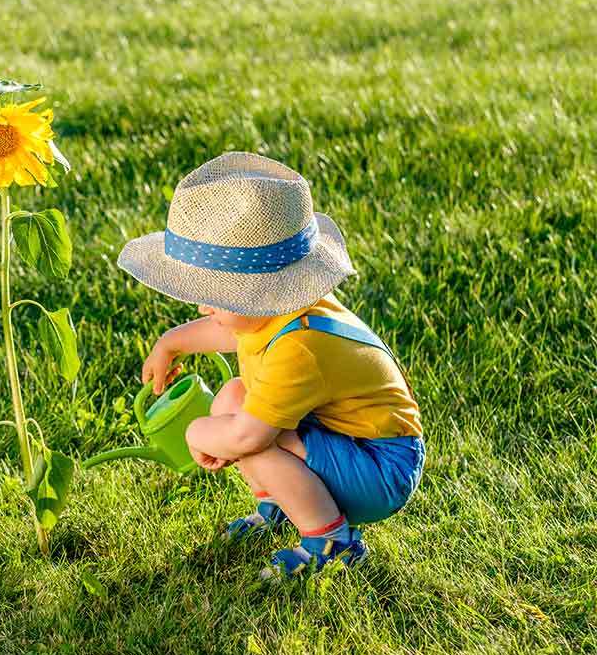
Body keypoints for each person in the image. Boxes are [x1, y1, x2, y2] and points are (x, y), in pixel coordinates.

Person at [117, 152, 425, 579]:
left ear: (259, 293)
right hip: (348, 443)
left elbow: (247, 436)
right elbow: (234, 331)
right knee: (232, 396)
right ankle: (284, 504)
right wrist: (172, 343)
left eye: (216, 294)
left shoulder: (300, 347)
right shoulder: (280, 310)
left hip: (380, 467)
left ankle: (333, 543)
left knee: (249, 436)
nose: (203, 305)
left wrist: (197, 432)